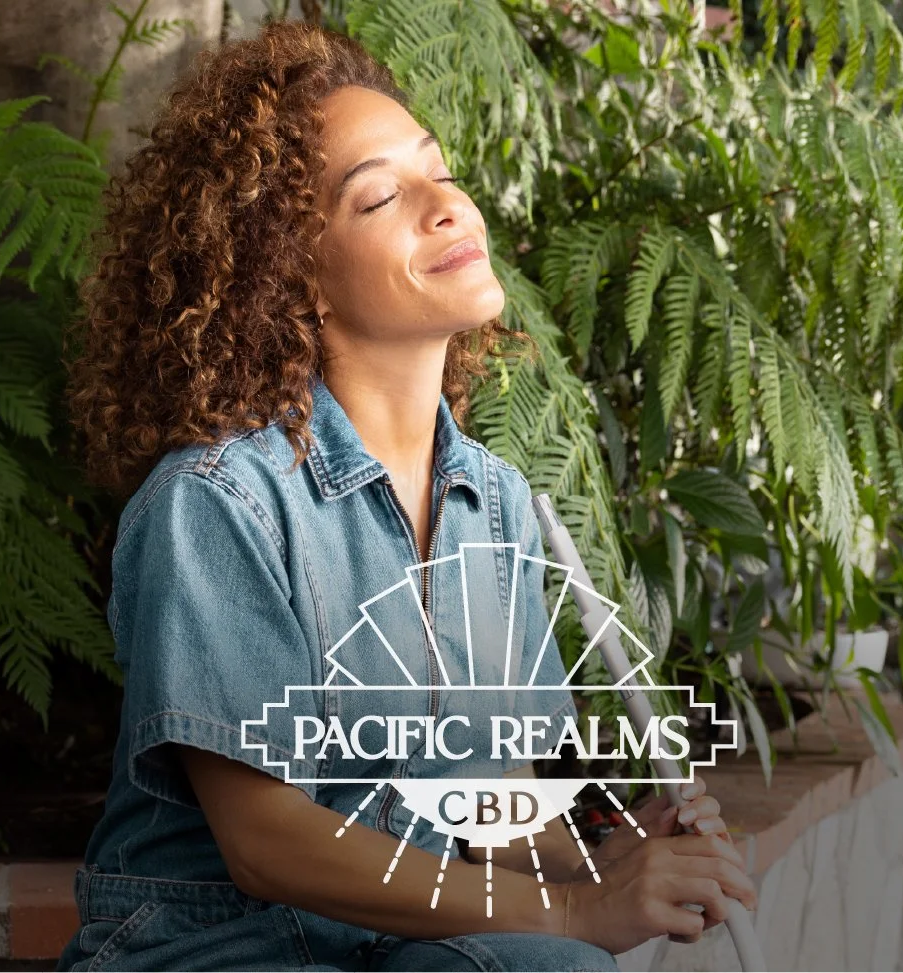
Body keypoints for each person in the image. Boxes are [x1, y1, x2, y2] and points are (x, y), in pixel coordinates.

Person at [56, 18, 756, 973]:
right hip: (225, 950)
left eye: (441, 171)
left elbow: (490, 811)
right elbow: (265, 841)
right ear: (290, 276)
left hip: (396, 948)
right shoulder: (219, 501)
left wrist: (621, 843)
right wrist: (579, 911)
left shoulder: (498, 503)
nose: (445, 206)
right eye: (381, 195)